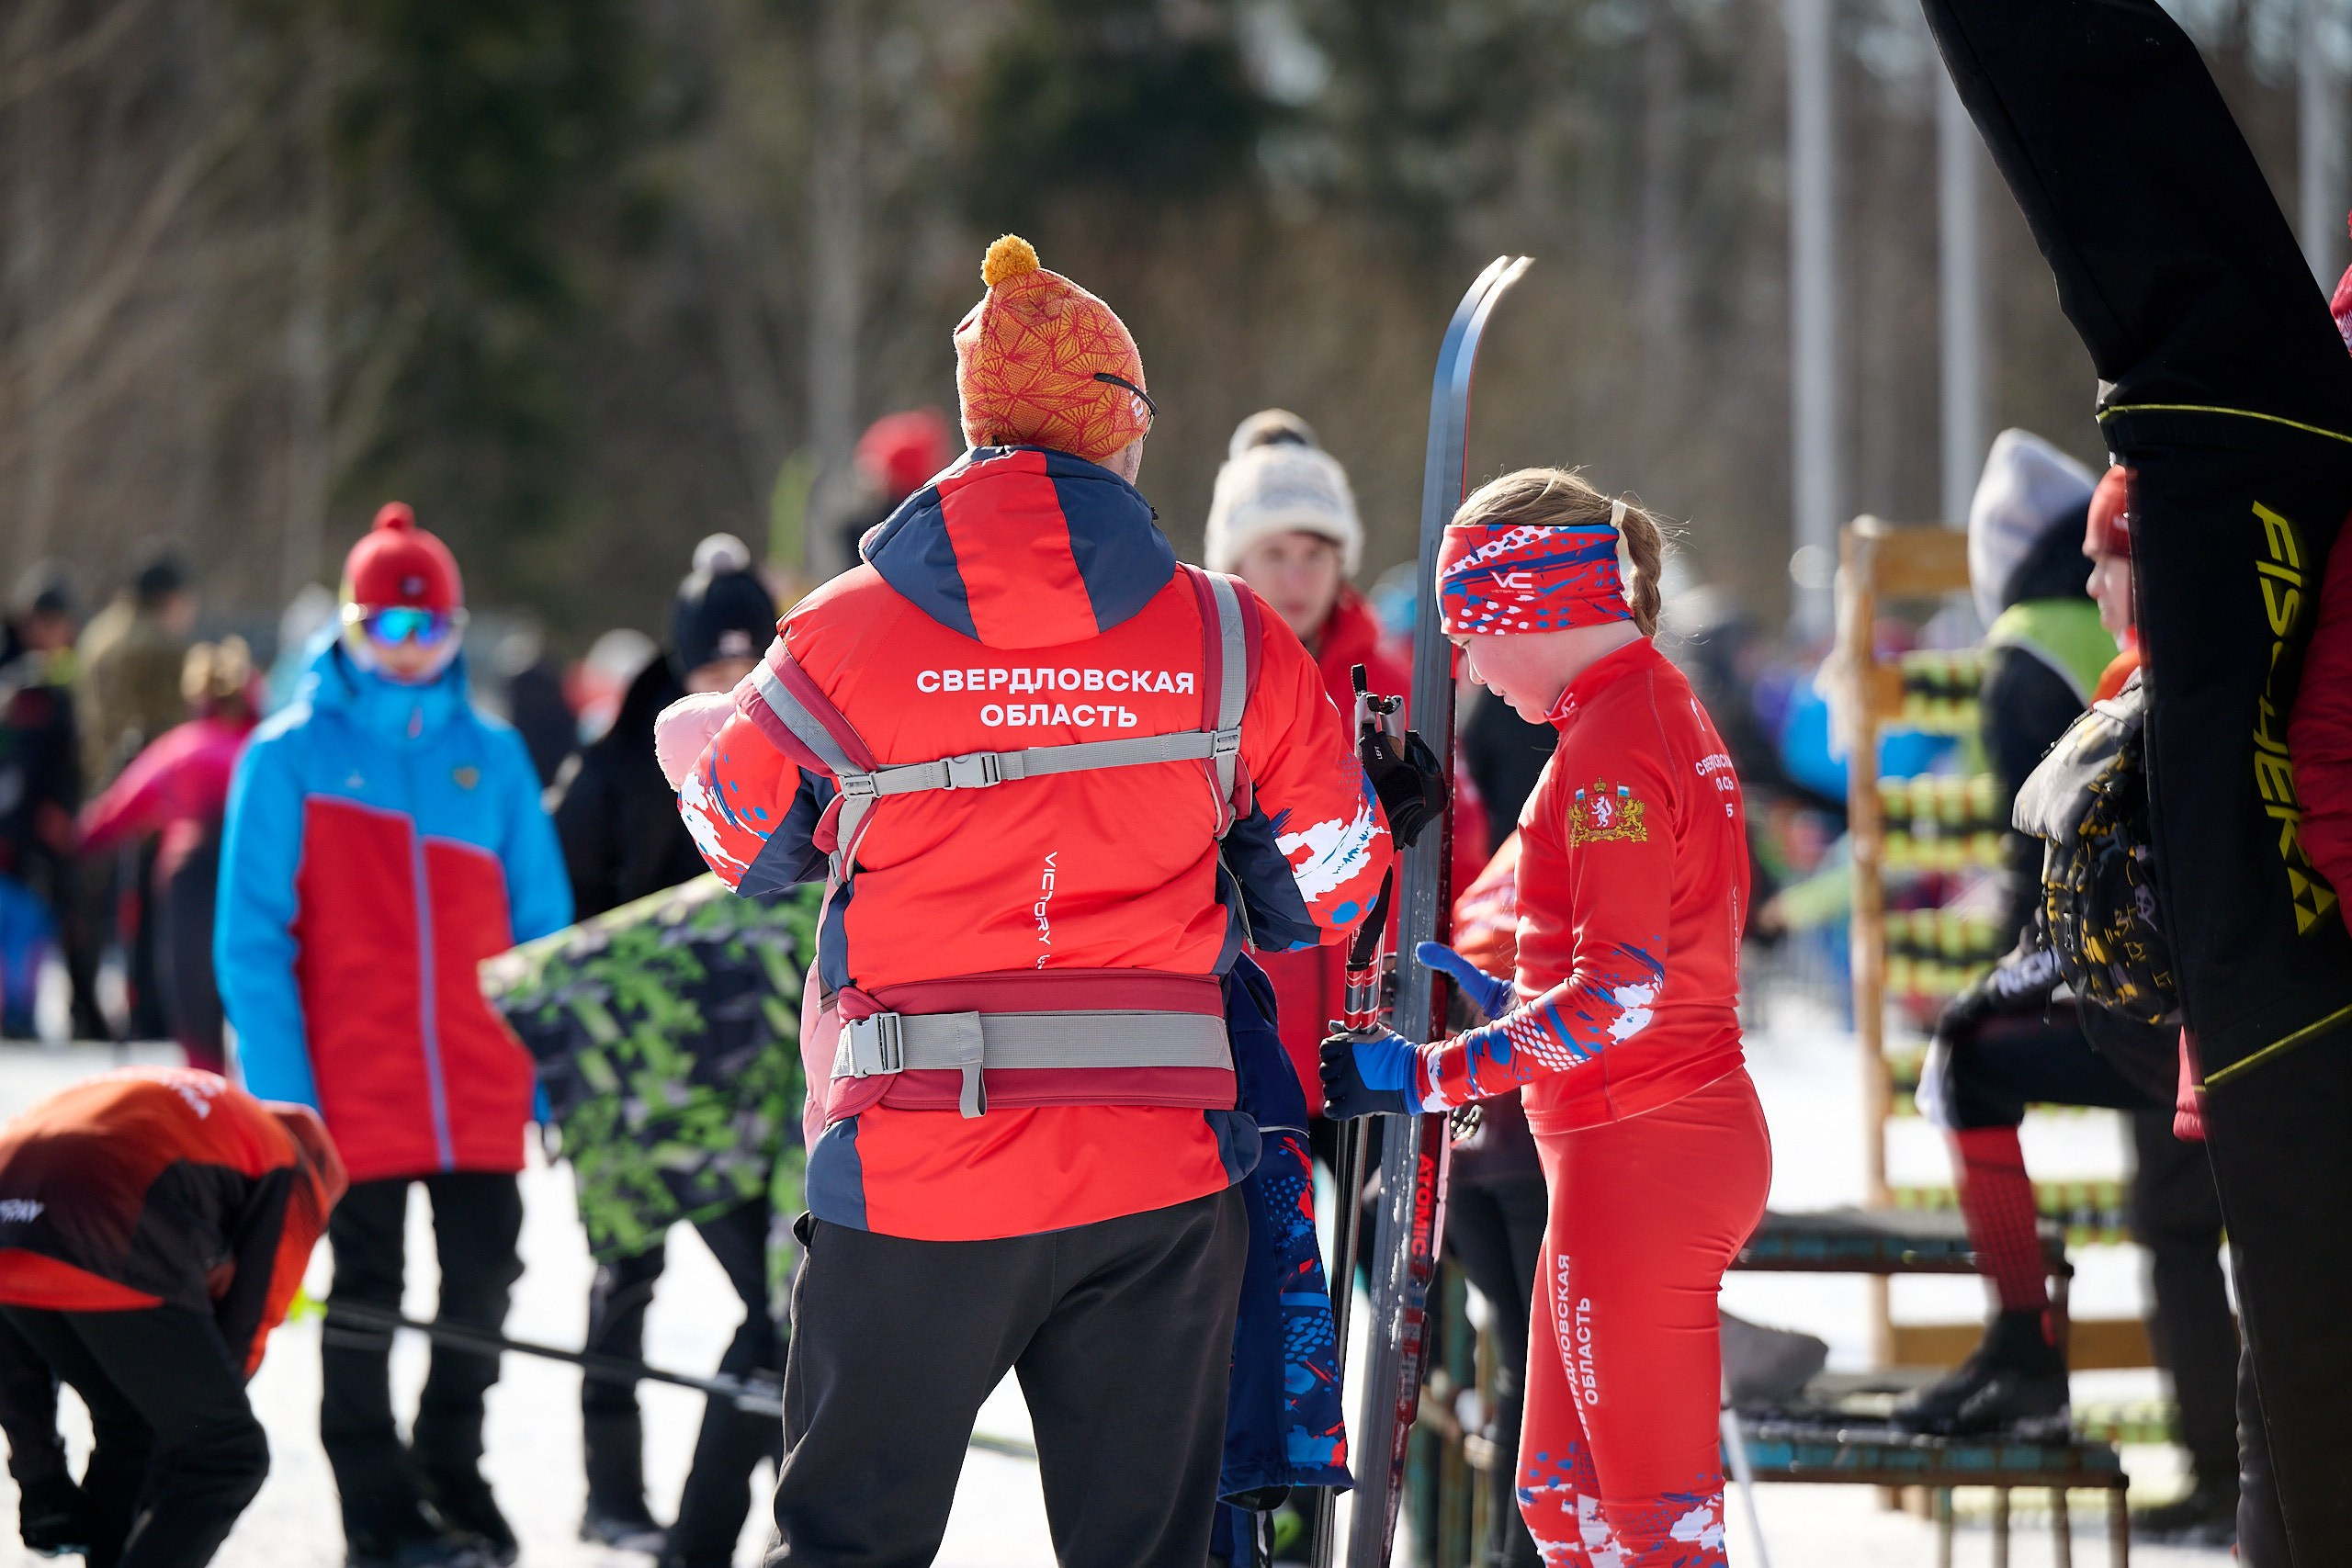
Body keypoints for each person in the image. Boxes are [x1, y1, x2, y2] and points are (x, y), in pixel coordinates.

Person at [659, 234, 1391, 1568]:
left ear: (975, 423)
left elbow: (739, 836)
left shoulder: (842, 628)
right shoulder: (1233, 635)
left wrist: (696, 738)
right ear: (1123, 432)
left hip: (916, 1171)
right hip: (1160, 1177)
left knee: (845, 1544)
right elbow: (1337, 880)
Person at [1921, 4, 2352, 1553]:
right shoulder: (2274, 390)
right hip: (2257, 960)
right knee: (2286, 1431)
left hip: (2295, 956)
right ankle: (2033, 1350)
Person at [1322, 468, 1768, 1567]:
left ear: (1534, 605)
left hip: (1646, 1148)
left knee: (1655, 1527)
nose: (1464, 667)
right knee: (1562, 1504)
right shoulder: (1621, 715)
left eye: (1470, 632)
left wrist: (1426, 1073)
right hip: (1621, 1143)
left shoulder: (1618, 736)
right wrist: (1514, 1000)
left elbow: (1620, 991)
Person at [215, 502, 572, 1568]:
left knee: (481, 1288)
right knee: (366, 1296)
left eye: (435, 633)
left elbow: (542, 931)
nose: (413, 655)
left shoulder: (495, 756)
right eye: (392, 632)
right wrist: (287, 1093)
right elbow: (249, 943)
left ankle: (451, 1474)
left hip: (477, 1082)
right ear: (349, 630)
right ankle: (375, 1508)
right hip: (346, 1089)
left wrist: (550, 1074)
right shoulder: (286, 758)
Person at [1896, 467, 2241, 1545]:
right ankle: (2228, 1476)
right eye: (2084, 557)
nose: (2092, 581)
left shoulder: (2058, 666)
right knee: (2190, 1231)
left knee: (1971, 1062)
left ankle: (2024, 1346)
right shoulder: (2169, 657)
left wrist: (2011, 978)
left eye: (2110, 560)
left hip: (2179, 1012)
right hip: (2185, 1008)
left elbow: (2064, 885)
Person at [552, 532, 782, 1562]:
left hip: (761, 1071)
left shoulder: (793, 744)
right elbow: (560, 919)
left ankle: (775, 1502)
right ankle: (611, 1489)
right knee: (624, 1275)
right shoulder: (610, 771)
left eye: (750, 663)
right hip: (634, 1069)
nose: (732, 683)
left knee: (779, 1290)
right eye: (713, 665)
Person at [1204, 409, 1488, 1107]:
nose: (1298, 576)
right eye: (1275, 553)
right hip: (1242, 1024)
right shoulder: (1201, 678)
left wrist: (1464, 965)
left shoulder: (1396, 682)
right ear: (1234, 561)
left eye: (1316, 554)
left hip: (1378, 1026)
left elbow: (1463, 835)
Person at [0, 1066, 345, 1568]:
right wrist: (194, 1437)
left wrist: (40, 1477)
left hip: (10, 1192)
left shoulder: (213, 1119)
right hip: (107, 1208)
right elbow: (245, 1331)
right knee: (229, 1456)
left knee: (132, 1426)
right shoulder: (294, 1170)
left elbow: (13, 1353)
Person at [76, 639, 261, 1075]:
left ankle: (207, 1116)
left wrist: (73, 843)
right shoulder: (263, 751)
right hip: (252, 880)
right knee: (256, 1011)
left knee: (197, 1020)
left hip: (190, 884)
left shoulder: (181, 748)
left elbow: (112, 815)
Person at [0, 563, 83, 1039]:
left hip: (35, 823)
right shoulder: (20, 676)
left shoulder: (60, 671)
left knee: (31, 917)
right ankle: (14, 1009)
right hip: (20, 822)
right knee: (20, 916)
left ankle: (21, 1007)